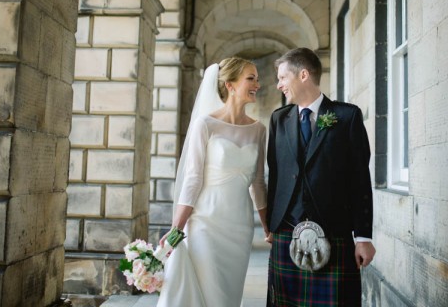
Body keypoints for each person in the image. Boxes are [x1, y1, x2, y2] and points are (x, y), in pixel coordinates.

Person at [265, 47, 376, 306]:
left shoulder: (347, 116)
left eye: (282, 77)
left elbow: (360, 180)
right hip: (286, 232)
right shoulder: (278, 120)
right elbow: (276, 175)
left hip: (333, 232)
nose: (278, 84)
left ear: (303, 75)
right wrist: (271, 223)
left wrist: (363, 238)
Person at [156, 57, 269, 307]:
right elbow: (192, 179)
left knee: (229, 296)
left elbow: (258, 183)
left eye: (257, 79)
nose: (257, 85)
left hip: (240, 225)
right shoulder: (205, 124)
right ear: (230, 85)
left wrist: (267, 226)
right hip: (205, 222)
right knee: (210, 294)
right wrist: (177, 228)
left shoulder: (259, 130)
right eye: (251, 78)